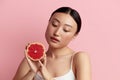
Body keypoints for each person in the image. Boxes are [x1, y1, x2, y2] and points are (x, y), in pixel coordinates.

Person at [13, 7, 91, 80]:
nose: (57, 33)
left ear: (74, 35)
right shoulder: (32, 59)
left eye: (66, 30)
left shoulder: (79, 58)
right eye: (54, 24)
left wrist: (48, 77)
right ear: (48, 23)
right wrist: (32, 72)